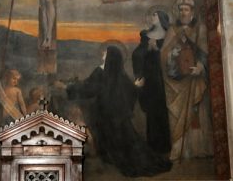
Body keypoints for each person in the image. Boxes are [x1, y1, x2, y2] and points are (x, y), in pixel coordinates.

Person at [68, 46, 171, 177]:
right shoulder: (119, 73)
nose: (103, 54)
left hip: (107, 115)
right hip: (118, 116)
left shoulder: (101, 71)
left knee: (124, 143)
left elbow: (87, 88)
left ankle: (113, 158)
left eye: (105, 52)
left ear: (111, 56)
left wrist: (69, 88)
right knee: (125, 141)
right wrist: (136, 87)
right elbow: (129, 90)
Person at [161, 0, 213, 161]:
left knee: (197, 114)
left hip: (196, 80)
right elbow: (164, 54)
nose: (183, 13)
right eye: (181, 9)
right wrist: (172, 58)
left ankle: (199, 148)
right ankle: (181, 151)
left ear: (192, 11)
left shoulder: (200, 29)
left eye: (186, 9)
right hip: (178, 81)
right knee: (178, 117)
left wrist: (201, 66)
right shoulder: (172, 30)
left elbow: (207, 53)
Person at [132, 9, 171, 153]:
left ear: (161, 17)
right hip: (149, 78)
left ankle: (165, 145)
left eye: (155, 14)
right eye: (151, 14)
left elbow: (172, 55)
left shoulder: (169, 35)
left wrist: (158, 50)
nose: (151, 17)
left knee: (163, 110)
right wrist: (148, 48)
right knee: (152, 111)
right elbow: (137, 54)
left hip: (164, 78)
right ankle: (153, 145)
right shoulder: (146, 35)